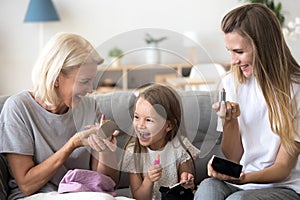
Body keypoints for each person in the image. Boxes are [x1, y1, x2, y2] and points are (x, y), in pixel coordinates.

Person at [0, 32, 127, 200]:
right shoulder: (18, 108)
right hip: (36, 196)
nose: (90, 90)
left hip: (82, 192)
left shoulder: (89, 106)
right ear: (56, 78)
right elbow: (26, 185)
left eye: (92, 81)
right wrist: (72, 144)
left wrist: (105, 150)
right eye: (84, 81)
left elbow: (103, 182)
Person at [194, 3, 300, 200]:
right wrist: (230, 122)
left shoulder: (296, 90)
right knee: (208, 189)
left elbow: (282, 168)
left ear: (263, 46)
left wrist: (243, 179)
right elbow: (234, 157)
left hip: (284, 187)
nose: (233, 60)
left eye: (239, 52)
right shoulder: (231, 83)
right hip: (242, 183)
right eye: (230, 51)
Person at [121, 84, 200, 200]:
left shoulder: (179, 146)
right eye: (136, 117)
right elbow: (139, 197)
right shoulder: (134, 153)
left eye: (148, 120)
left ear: (168, 125)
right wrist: (149, 180)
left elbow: (185, 183)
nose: (140, 125)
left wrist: (187, 181)